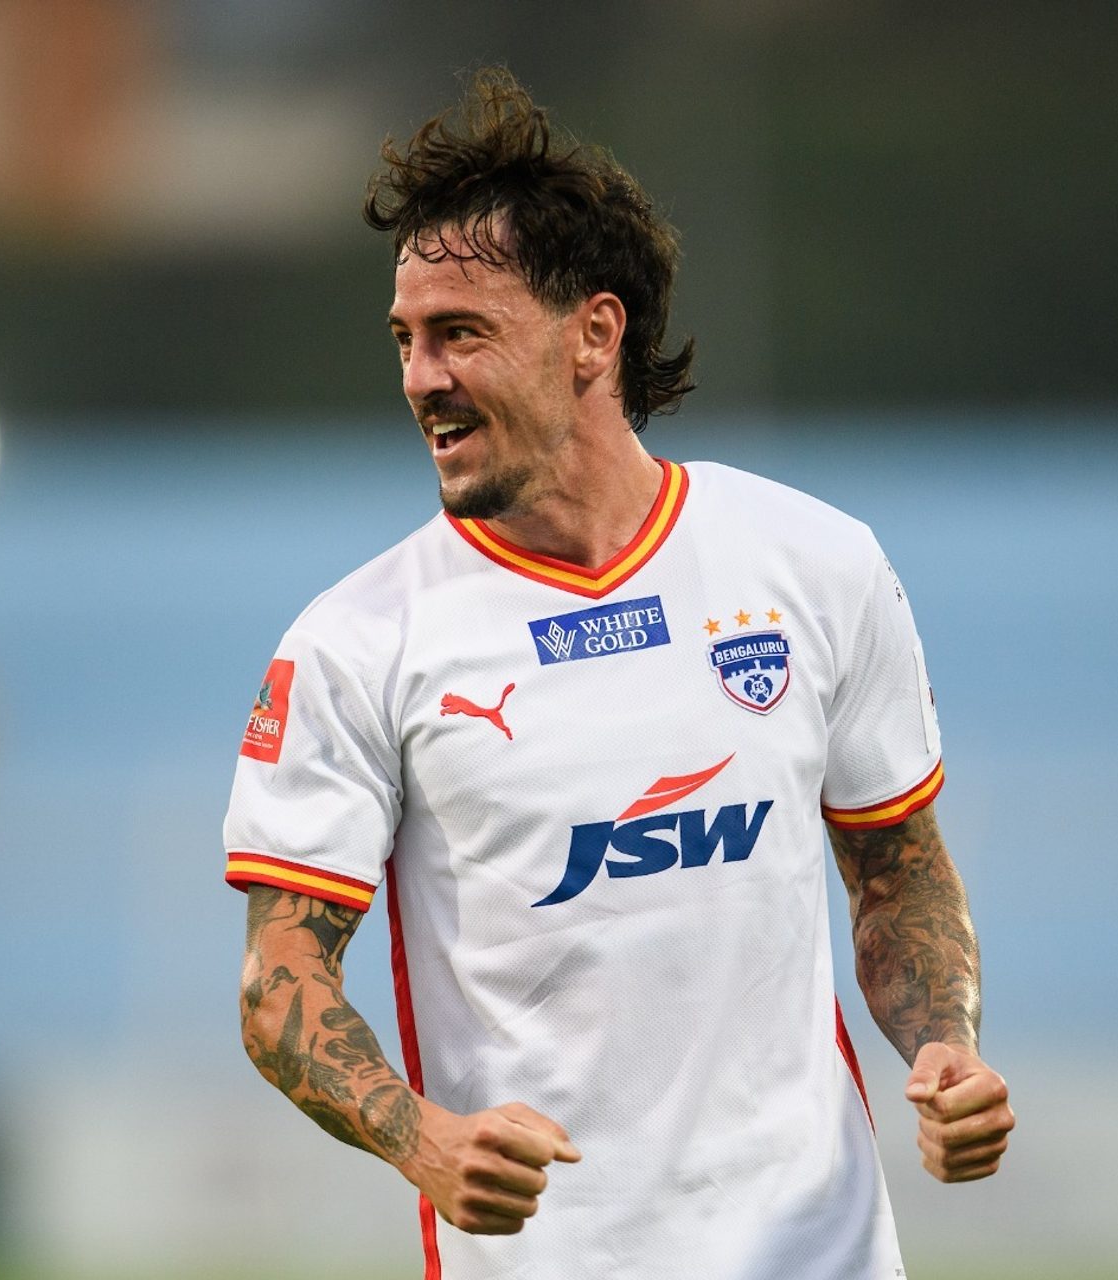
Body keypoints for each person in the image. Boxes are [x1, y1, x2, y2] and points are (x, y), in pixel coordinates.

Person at [225, 67, 1013, 1280]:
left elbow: (898, 871)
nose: (421, 377)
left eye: (461, 332)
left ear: (594, 333)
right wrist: (423, 1139)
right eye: (405, 339)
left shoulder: (815, 563)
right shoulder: (357, 641)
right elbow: (279, 986)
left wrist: (945, 1045)